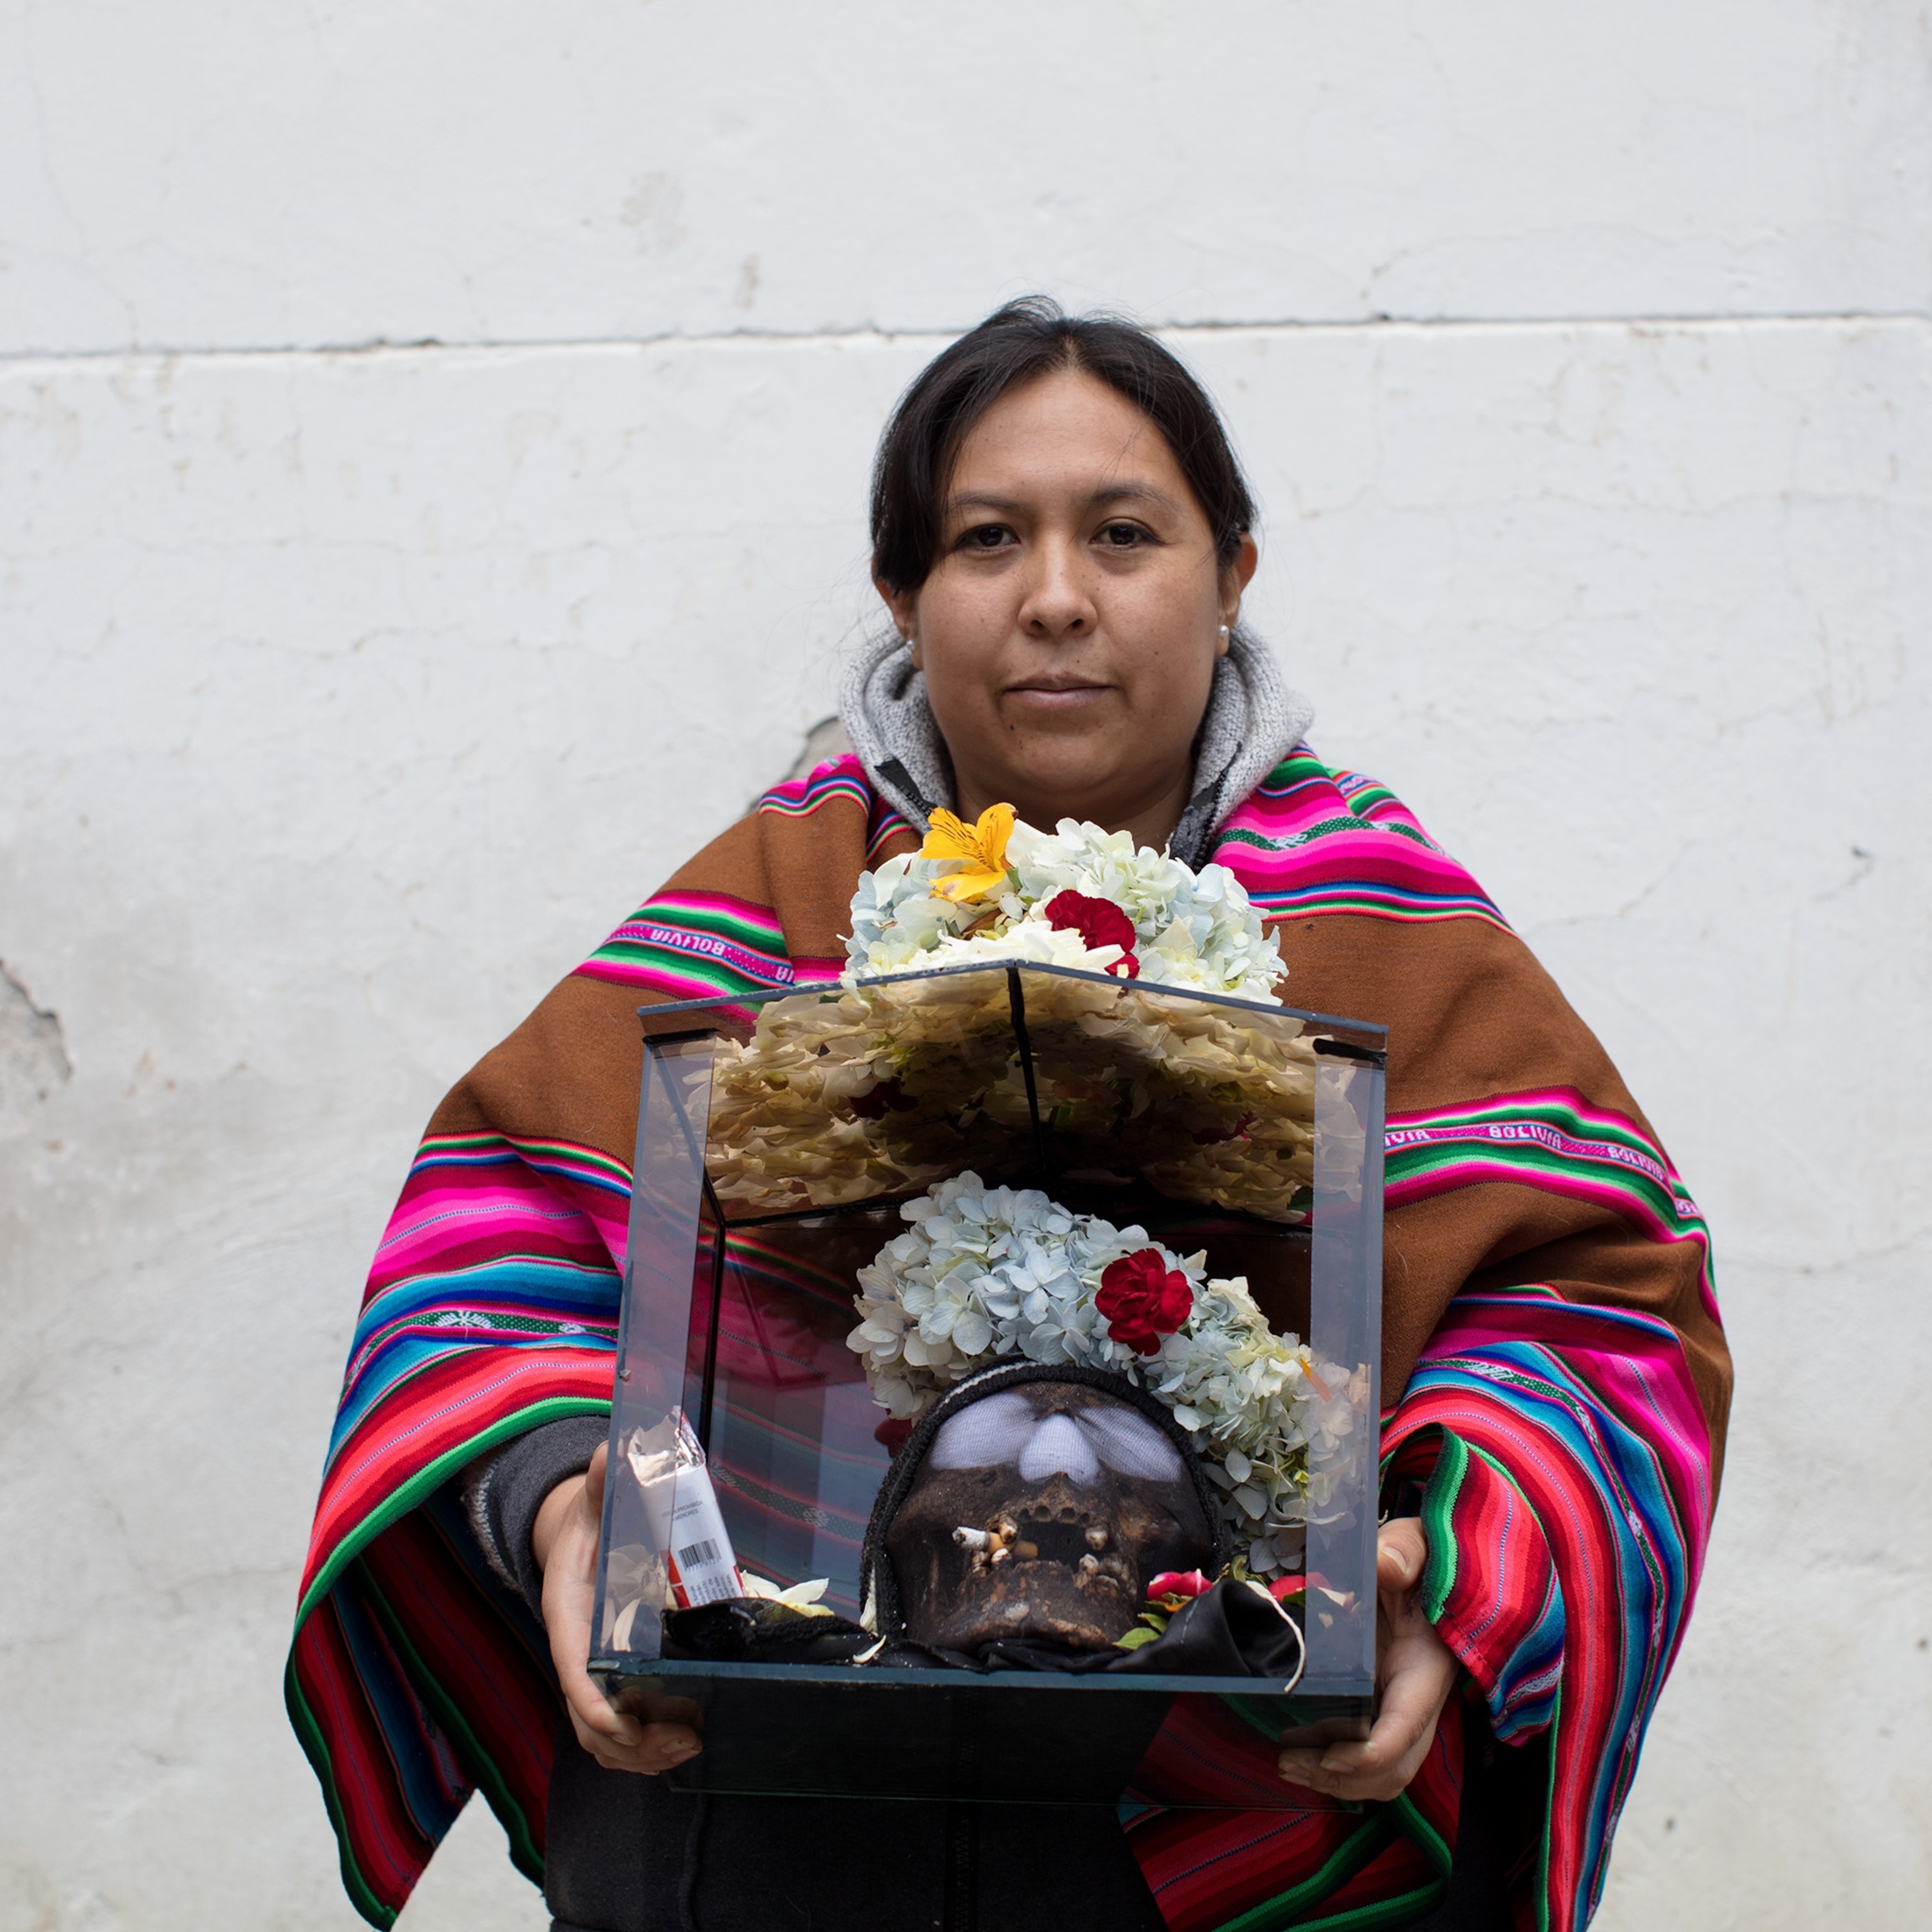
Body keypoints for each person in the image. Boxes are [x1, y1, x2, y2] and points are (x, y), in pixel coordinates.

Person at [289, 298, 1729, 1931]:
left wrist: (1432, 1573)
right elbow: (501, 1251)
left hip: (1245, 1796)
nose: (1057, 598)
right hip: (770, 1829)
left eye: (1124, 533)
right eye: (988, 540)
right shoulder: (764, 910)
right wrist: (565, 1502)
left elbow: (1595, 1316)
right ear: (905, 592)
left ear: (1233, 571)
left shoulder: (1392, 933)